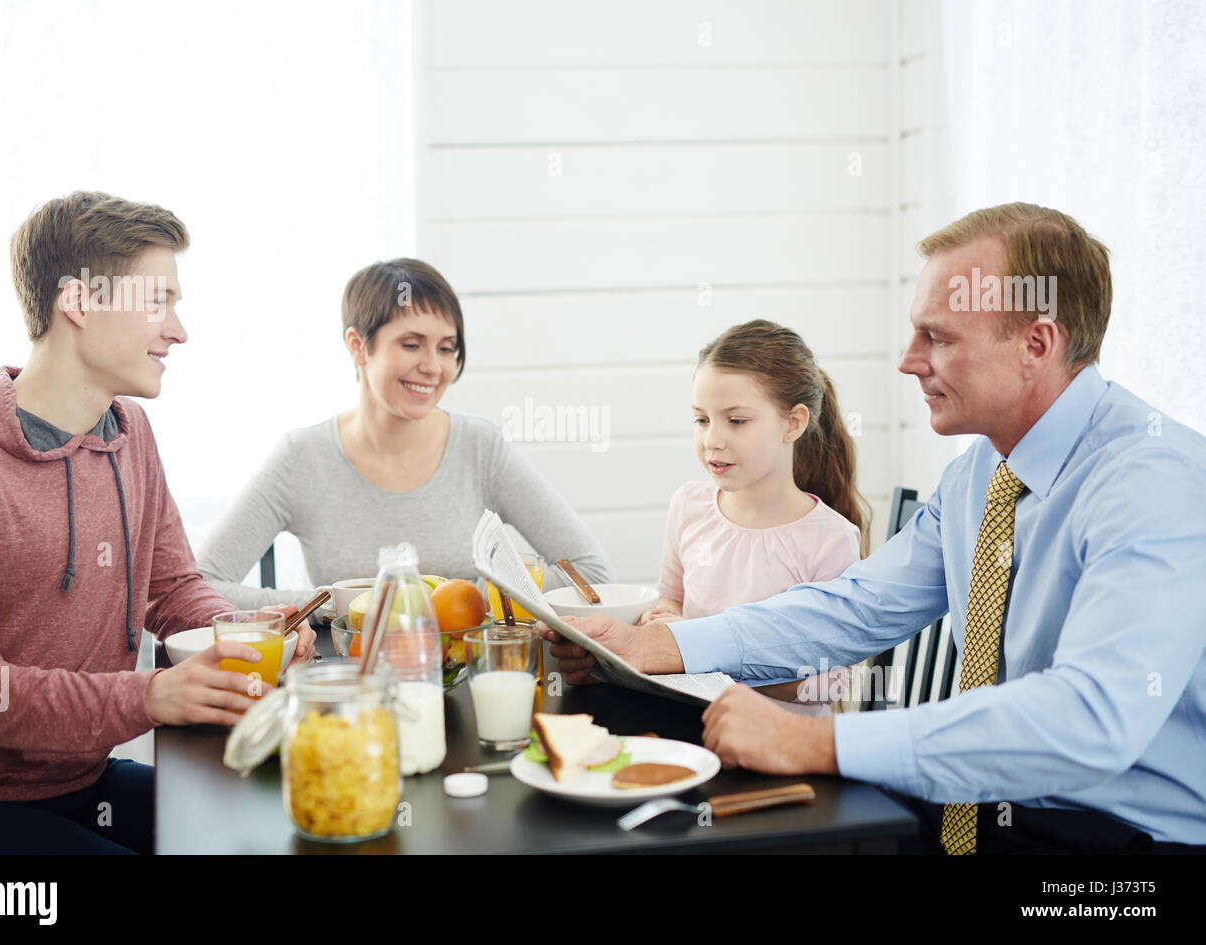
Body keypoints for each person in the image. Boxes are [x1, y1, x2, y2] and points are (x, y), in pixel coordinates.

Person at [545, 202, 1206, 854]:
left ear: (1037, 344)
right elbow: (854, 606)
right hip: (983, 806)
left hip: (1122, 844)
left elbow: (1091, 716)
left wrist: (818, 741)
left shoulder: (1152, 480)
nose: (908, 360)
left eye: (938, 337)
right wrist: (653, 645)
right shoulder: (980, 474)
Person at [0, 192, 316, 854]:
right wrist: (148, 696)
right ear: (78, 301)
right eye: (158, 301)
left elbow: (171, 589)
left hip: (79, 782)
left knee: (280, 827)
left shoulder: (130, 433)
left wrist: (249, 634)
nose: (178, 330)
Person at [197, 258, 613, 609]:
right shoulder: (301, 458)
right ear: (358, 346)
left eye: (446, 348)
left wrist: (462, 600)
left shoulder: (480, 447)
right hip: (353, 675)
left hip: (463, 670)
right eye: (412, 345)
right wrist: (339, 603)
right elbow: (203, 586)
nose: (432, 367)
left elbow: (590, 573)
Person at [640, 320, 867, 714]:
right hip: (691, 728)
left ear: (793, 423)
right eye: (702, 419)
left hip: (781, 742)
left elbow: (826, 684)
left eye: (736, 421)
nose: (712, 440)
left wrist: (701, 652)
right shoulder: (689, 505)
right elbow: (672, 599)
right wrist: (663, 619)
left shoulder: (829, 539)